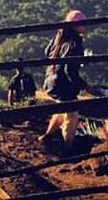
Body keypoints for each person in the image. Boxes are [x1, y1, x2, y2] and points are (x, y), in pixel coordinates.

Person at [37, 10, 101, 151]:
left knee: (62, 108)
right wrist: (86, 86)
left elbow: (48, 52)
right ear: (76, 25)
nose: (85, 26)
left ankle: (47, 136)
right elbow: (69, 71)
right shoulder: (75, 44)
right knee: (72, 115)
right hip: (62, 84)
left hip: (50, 81)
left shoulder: (59, 37)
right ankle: (68, 147)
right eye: (82, 23)